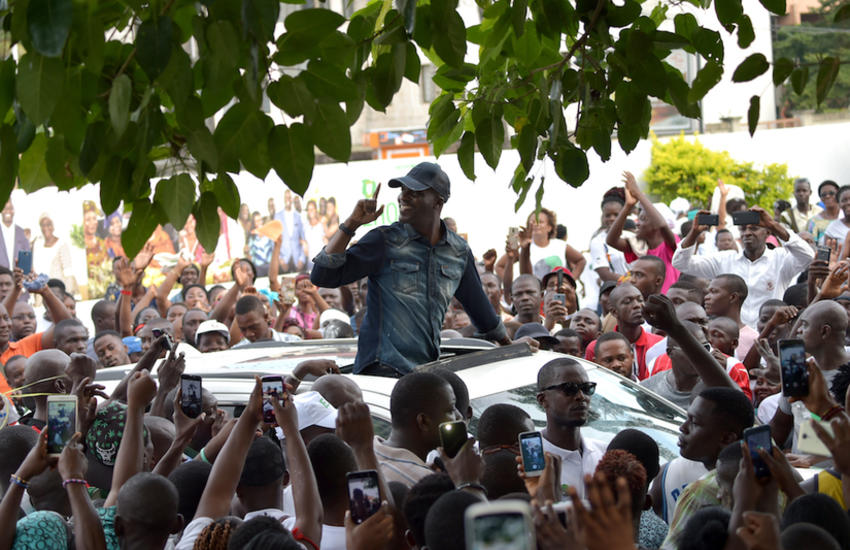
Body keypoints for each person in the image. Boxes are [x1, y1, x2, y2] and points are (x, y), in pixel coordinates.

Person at [311, 162, 509, 376]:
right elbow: (323, 276)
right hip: (380, 370)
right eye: (403, 191)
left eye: (414, 192)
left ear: (437, 202)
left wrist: (512, 344)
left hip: (425, 372)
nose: (403, 197)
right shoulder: (384, 240)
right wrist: (351, 224)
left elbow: (483, 314)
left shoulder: (458, 252)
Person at [673, 206, 814, 327]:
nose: (747, 233)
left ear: (768, 232)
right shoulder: (725, 259)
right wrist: (694, 233)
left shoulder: (781, 258)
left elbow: (808, 255)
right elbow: (680, 263)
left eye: (754, 228)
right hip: (731, 336)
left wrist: (773, 224)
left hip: (770, 333)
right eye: (743, 229)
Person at [651, 388, 754, 531]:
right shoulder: (669, 472)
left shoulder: (698, 493)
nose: (683, 427)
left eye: (694, 422)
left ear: (726, 438)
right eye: (686, 418)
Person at [536, 357, 606, 499]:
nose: (581, 396)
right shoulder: (531, 462)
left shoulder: (604, 453)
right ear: (543, 400)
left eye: (587, 388)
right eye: (569, 389)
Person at [374, 371, 460, 486]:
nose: (459, 416)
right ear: (423, 421)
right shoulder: (423, 483)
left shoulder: (368, 454)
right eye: (450, 410)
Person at [606, 172, 680, 293]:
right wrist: (628, 206)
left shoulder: (672, 244)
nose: (637, 223)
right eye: (638, 218)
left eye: (643, 219)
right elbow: (611, 240)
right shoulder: (640, 247)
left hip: (668, 307)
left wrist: (638, 194)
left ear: (655, 224)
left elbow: (662, 225)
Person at [585, 283, 663, 381]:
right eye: (627, 302)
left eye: (640, 300)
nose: (637, 305)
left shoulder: (659, 344)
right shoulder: (596, 348)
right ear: (614, 311)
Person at [703, 274, 758, 360]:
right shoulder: (702, 332)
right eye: (707, 292)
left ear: (733, 297)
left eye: (714, 291)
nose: (706, 297)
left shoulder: (753, 339)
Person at [589, 187, 630, 282]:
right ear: (602, 217)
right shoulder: (597, 242)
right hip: (614, 292)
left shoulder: (632, 236)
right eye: (607, 215)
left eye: (616, 215)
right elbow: (604, 273)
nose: (611, 218)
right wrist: (630, 282)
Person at [31, 213, 75, 293]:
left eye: (49, 224)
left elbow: (68, 271)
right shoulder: (37, 244)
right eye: (43, 225)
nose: (46, 228)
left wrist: (67, 293)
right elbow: (33, 267)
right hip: (40, 290)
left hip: (57, 289)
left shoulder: (62, 244)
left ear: (53, 226)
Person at [275, 190, 307, 273]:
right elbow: (274, 240)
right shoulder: (277, 216)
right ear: (283, 199)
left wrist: (302, 259)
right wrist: (280, 259)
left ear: (292, 199)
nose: (288, 200)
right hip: (284, 260)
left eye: (289, 197)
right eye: (286, 197)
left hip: (297, 261)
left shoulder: (298, 216)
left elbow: (303, 239)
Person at [0, 199, 30, 270]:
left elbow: (26, 258)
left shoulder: (22, 232)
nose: (8, 211)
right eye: (5, 208)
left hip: (18, 278)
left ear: (14, 211)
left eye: (10, 208)